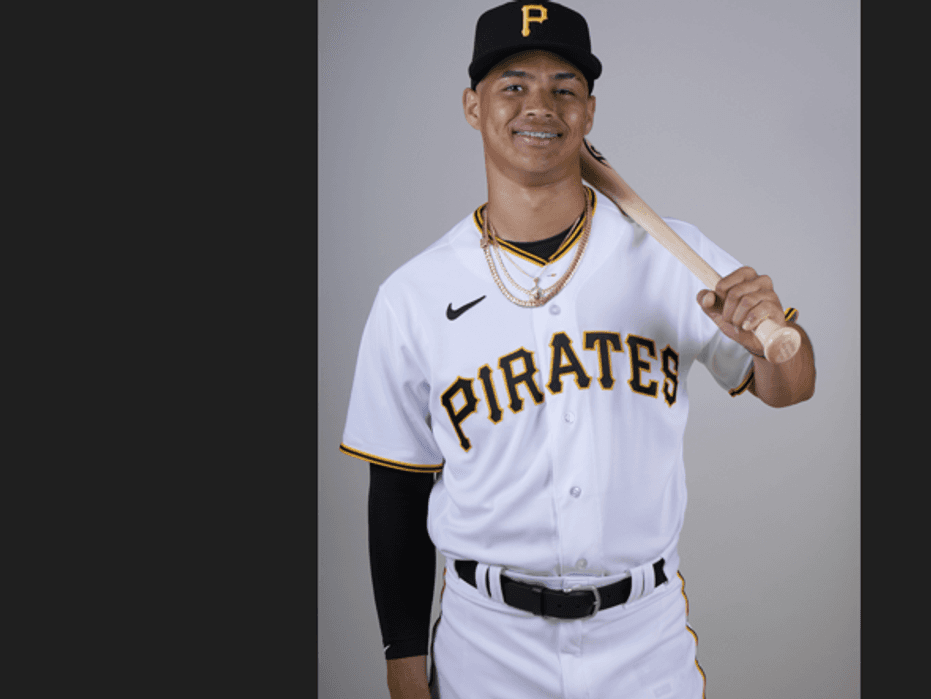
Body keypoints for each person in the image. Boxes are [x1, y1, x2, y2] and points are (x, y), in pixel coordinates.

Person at [339, 3, 816, 697]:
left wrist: (773, 344)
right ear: (473, 107)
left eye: (563, 88)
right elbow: (397, 490)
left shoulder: (673, 255)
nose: (540, 105)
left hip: (643, 639)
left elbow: (791, 387)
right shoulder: (412, 295)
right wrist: (404, 662)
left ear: (588, 113)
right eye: (513, 86)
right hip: (487, 646)